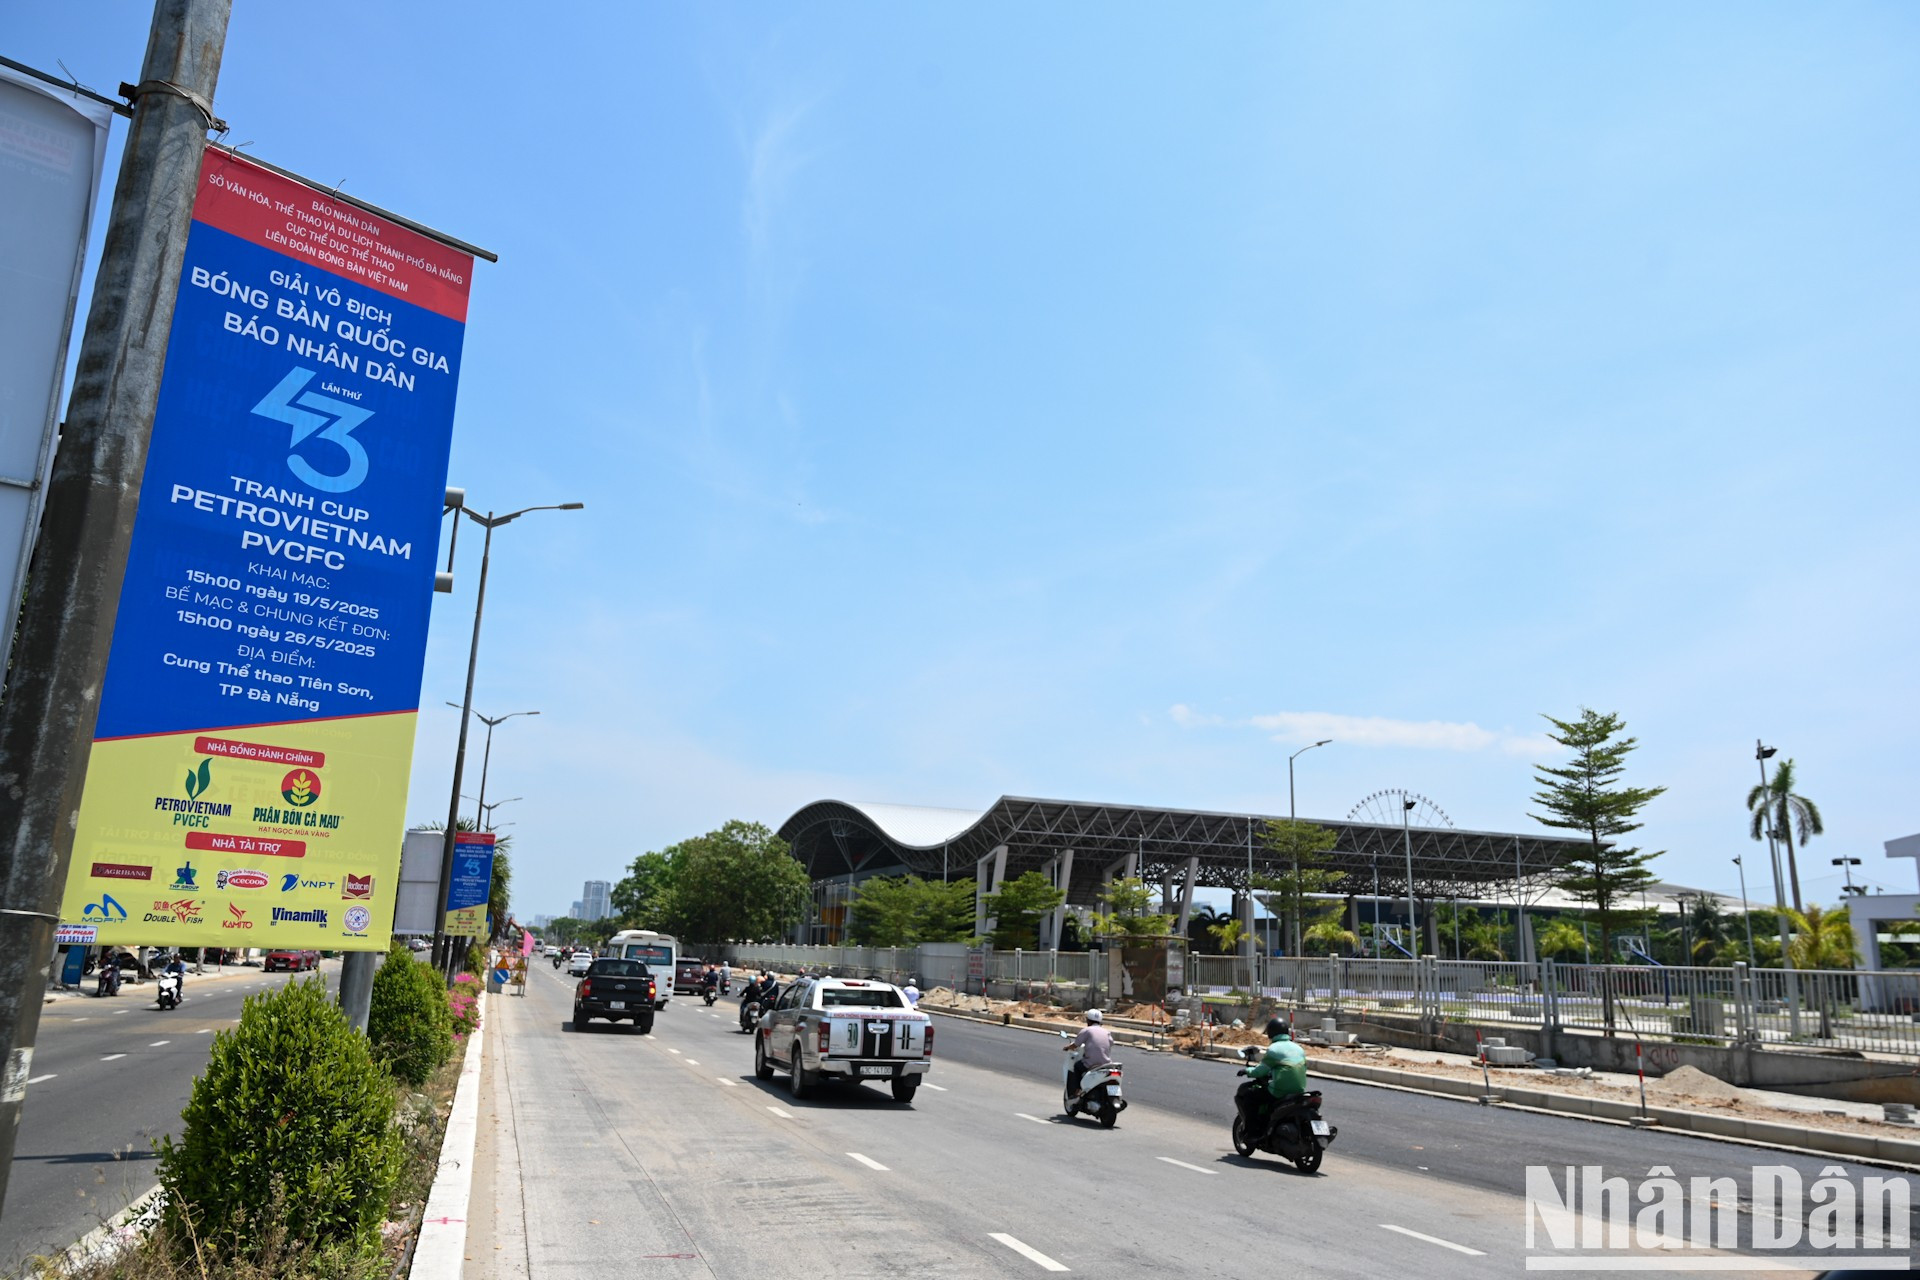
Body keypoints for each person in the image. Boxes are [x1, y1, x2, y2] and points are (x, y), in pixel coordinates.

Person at [1245, 1018, 1309, 1134]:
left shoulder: (1273, 1049)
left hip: (1279, 1092)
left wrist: (1248, 1070)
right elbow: (1304, 1069)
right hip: (1299, 1091)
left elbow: (1260, 1071)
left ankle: (1252, 1132)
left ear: (1271, 1032)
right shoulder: (1299, 1049)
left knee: (1249, 1097)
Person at [1062, 1008, 1114, 1098]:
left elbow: (1076, 1045)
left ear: (1088, 1020)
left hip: (1091, 1063)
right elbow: (1111, 1043)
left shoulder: (1087, 1030)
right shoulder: (1107, 1032)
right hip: (1106, 1064)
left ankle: (1077, 1091)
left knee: (1077, 1067)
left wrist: (1067, 1047)